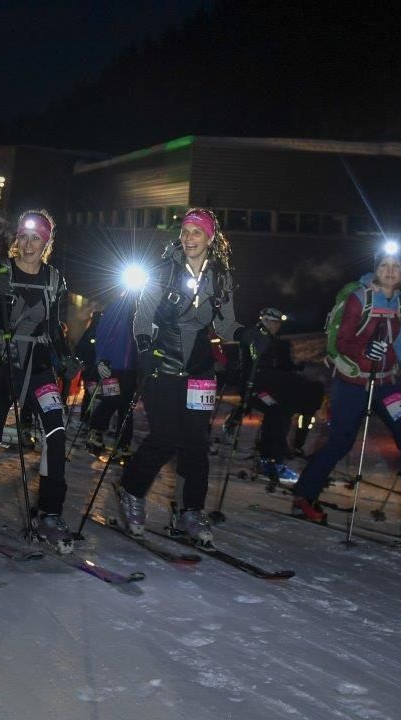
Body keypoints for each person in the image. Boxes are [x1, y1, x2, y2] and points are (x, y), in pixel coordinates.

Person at [117, 208, 262, 545]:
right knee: (166, 436)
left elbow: (224, 324)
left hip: (199, 368)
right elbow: (143, 316)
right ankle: (132, 491)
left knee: (196, 442)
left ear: (210, 238)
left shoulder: (220, 277)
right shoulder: (164, 270)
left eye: (197, 232)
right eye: (185, 232)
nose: (189, 238)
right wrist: (143, 349)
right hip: (162, 362)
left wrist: (244, 335)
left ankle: (190, 511)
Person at [291, 245, 401, 544]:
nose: (390, 271)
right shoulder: (358, 298)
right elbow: (342, 341)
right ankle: (305, 495)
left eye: (397, 266)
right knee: (340, 443)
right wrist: (364, 349)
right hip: (352, 382)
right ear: (376, 269)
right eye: (384, 266)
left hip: (386, 384)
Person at [0, 209, 80, 552]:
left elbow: (56, 328)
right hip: (4, 363)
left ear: (46, 243)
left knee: (56, 430)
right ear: (17, 239)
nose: (29, 245)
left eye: (37, 239)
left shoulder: (54, 278)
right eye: (24, 237)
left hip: (40, 365)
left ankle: (49, 513)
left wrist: (67, 356)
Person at [243, 307, 324, 483]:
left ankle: (271, 458)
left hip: (267, 387)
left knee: (281, 409)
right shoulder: (256, 337)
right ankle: (274, 461)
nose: (277, 326)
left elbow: (279, 368)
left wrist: (294, 369)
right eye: (275, 322)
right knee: (279, 412)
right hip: (256, 389)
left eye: (279, 323)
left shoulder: (275, 342)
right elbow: (252, 367)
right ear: (265, 321)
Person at [86, 292, 137, 463]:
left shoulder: (145, 308)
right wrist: (100, 360)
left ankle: (123, 443)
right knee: (112, 399)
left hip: (133, 368)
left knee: (127, 406)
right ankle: (96, 429)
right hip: (112, 366)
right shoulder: (117, 306)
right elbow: (102, 333)